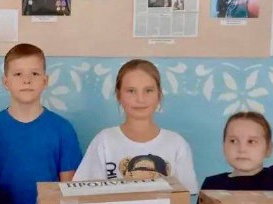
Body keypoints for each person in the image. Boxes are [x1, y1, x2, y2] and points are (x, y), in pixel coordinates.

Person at [0, 43, 82, 204]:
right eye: (18, 74)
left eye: (34, 73)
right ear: (5, 82)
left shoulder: (63, 130)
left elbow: (69, 188)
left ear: (45, 81)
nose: (27, 80)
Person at [73, 59, 198, 194]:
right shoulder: (104, 141)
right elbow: (83, 193)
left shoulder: (177, 144)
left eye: (148, 90)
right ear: (118, 95)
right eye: (131, 91)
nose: (140, 99)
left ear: (159, 94)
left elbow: (185, 197)